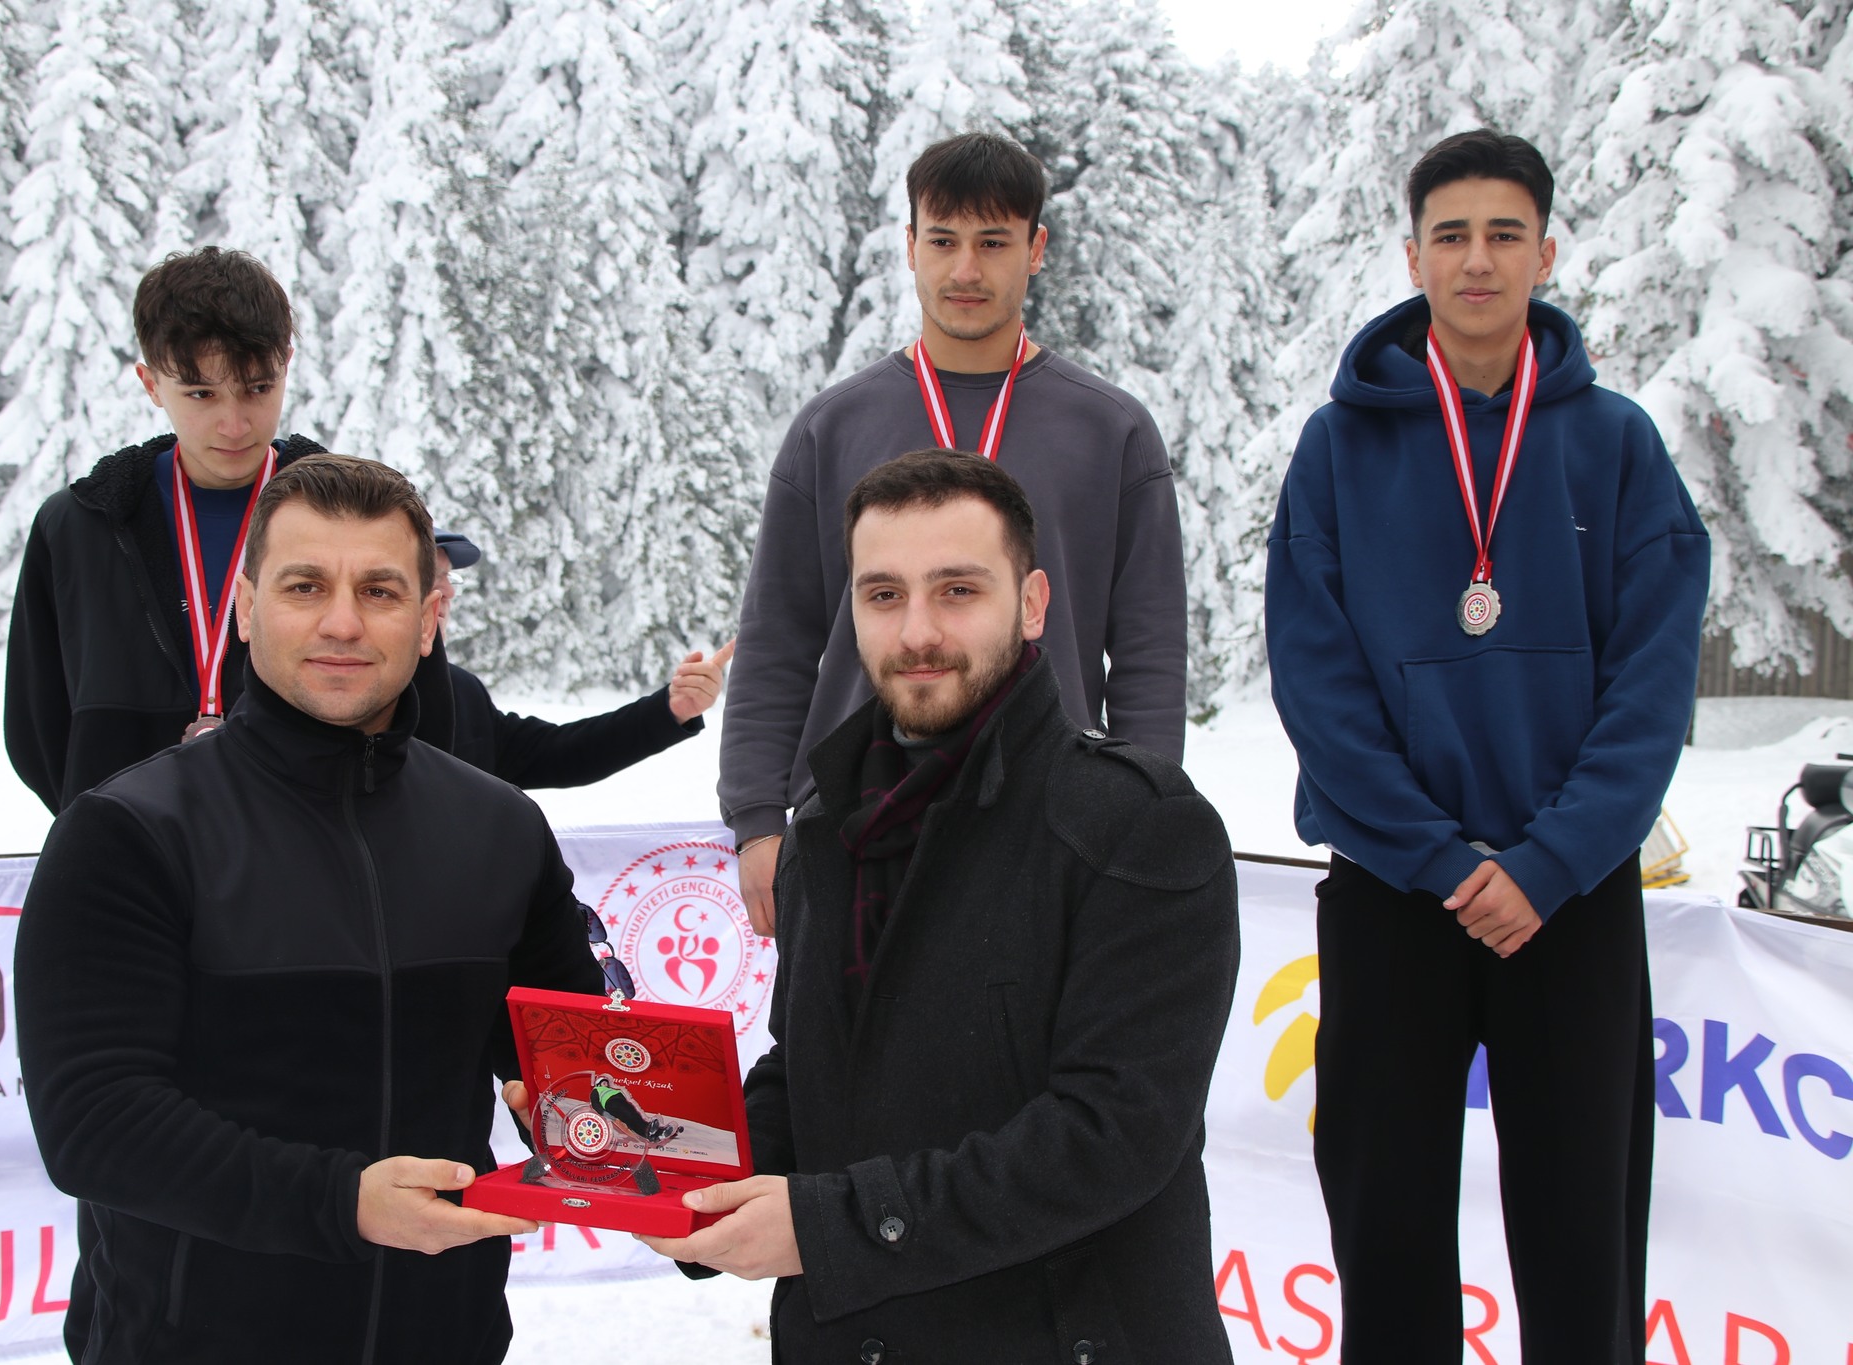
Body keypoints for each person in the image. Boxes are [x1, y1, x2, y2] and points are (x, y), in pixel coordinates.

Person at [1264, 129, 1709, 1363]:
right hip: (1395, 894)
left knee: (1581, 1242)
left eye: (1502, 234)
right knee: (1387, 1233)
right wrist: (1436, 858)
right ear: (1411, 256)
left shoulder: (1615, 445)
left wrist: (1550, 861)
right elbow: (1314, 681)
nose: (1475, 260)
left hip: (1567, 901)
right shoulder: (1337, 448)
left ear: (1544, 255)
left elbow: (1650, 689)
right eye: (1449, 235)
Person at [641, 450, 1239, 1361]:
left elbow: (1112, 1134)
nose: (917, 631)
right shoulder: (826, 825)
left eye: (958, 590)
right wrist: (659, 1160)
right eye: (884, 594)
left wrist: (829, 1226)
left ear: (1032, 603)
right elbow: (810, 1074)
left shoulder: (1136, 823)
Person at [15, 456, 604, 1363]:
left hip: (443, 1336)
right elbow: (95, 1122)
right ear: (248, 609)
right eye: (305, 586)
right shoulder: (129, 830)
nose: (342, 622)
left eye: (379, 590)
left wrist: (649, 1158)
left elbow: (576, 1060)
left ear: (428, 620)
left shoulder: (499, 826)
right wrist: (342, 1202)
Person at [719, 131, 1191, 935]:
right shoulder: (834, 427)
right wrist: (759, 815)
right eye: (943, 240)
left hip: (1050, 821)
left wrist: (1142, 807)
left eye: (993, 242)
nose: (966, 269)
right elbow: (779, 635)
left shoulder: (1110, 430)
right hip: (856, 819)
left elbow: (1148, 646)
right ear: (910, 247)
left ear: (1036, 249)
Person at [3, 247, 453, 815]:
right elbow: (36, 729)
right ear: (150, 383)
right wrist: (100, 817)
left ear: (286, 366)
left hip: (318, 845)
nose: (235, 424)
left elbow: (420, 709)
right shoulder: (79, 525)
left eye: (258, 388)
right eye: (201, 394)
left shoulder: (363, 515)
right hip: (128, 846)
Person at [431, 528, 732, 786]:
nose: (448, 592)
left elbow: (560, 752)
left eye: (448, 577)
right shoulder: (399, 700)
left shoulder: (461, 692)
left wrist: (669, 709)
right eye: (431, 576)